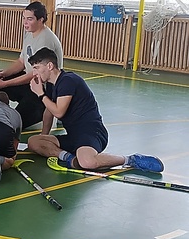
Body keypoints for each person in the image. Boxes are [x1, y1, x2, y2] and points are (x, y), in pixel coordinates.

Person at [26, 47, 163, 172]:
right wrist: (44, 136)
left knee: (87, 162)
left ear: (50, 66)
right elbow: (49, 112)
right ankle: (69, 158)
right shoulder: (52, 85)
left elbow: (58, 112)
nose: (34, 73)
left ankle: (130, 159)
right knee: (33, 142)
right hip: (74, 134)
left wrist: (40, 94)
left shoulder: (68, 81)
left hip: (91, 132)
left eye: (37, 68)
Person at [0, 1, 63, 130]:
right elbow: (22, 61)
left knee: (14, 124)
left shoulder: (45, 40)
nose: (25, 23)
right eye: (24, 18)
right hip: (32, 83)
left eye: (30, 19)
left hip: (43, 90)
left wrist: (5, 84)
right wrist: (3, 74)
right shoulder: (29, 33)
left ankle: (46, 108)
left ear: (41, 20)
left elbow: (36, 74)